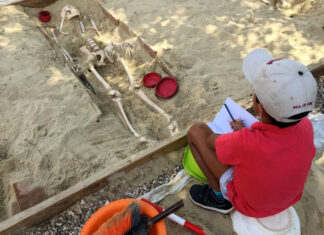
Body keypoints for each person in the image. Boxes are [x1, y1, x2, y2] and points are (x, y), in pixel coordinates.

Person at [187, 49, 317, 217]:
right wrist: (245, 133)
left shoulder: (245, 141)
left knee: (196, 131)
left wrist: (238, 135)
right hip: (287, 200)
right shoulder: (306, 126)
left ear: (259, 107)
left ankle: (219, 198)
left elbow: (211, 141)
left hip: (251, 206)